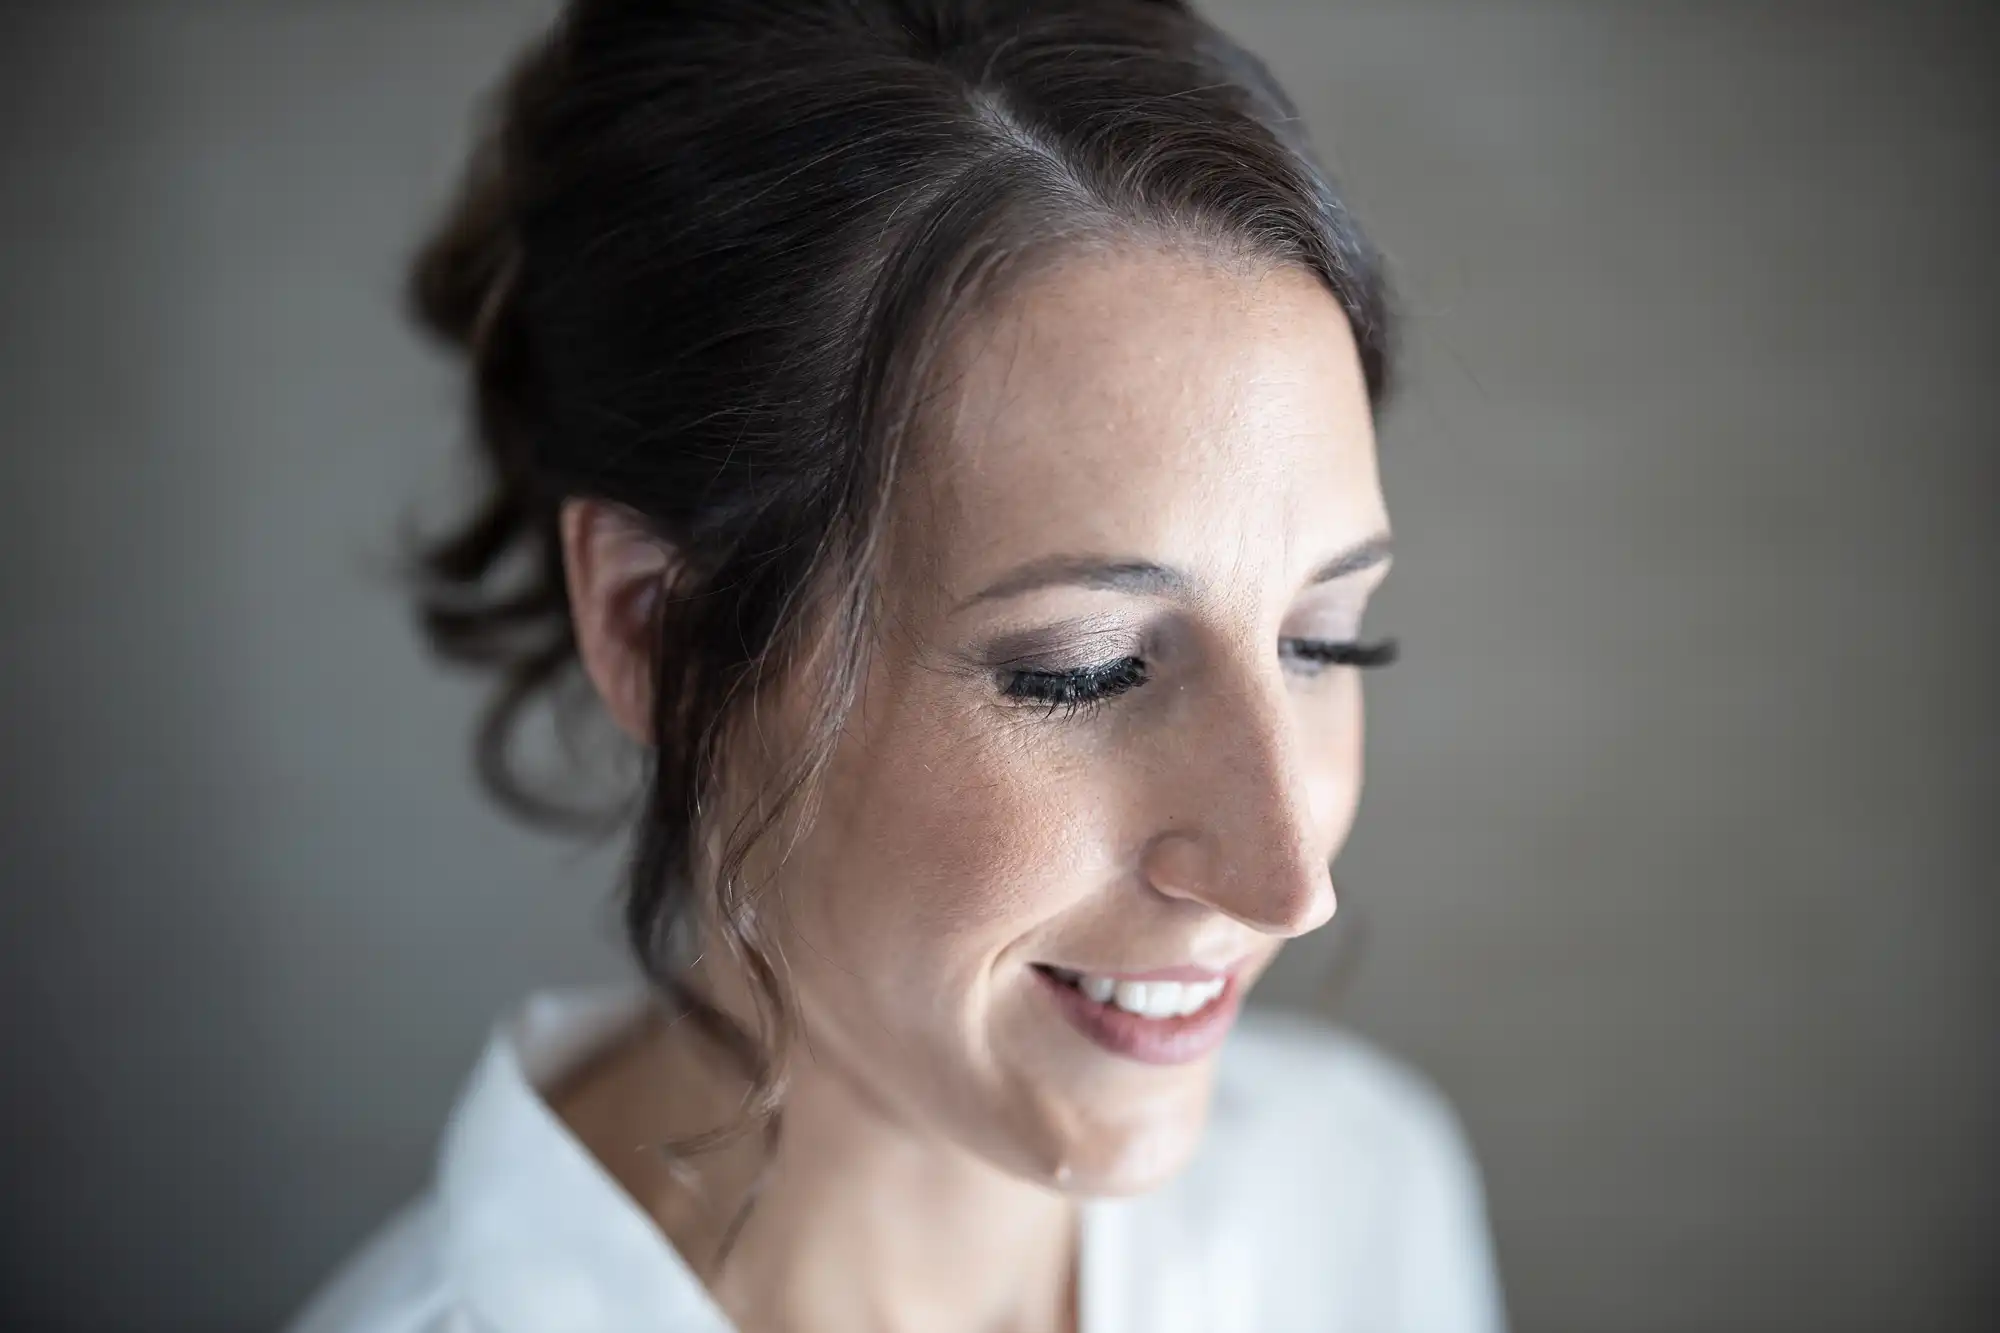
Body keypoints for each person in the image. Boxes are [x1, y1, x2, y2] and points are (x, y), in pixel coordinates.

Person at [290, 1, 1506, 1329]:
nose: (1290, 883)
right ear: (661, 629)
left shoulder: (1356, 1191)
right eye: (1082, 669)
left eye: (1325, 639)